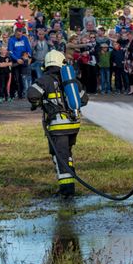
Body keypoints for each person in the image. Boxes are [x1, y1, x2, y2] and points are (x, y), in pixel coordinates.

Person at [28, 50, 89, 197]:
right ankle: (69, 186)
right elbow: (84, 99)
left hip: (57, 127)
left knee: (60, 158)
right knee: (66, 155)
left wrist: (38, 103)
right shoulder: (70, 80)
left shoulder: (45, 80)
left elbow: (32, 95)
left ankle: (67, 192)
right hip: (73, 125)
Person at [8, 28, 32, 99]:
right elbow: (10, 51)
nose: (19, 36)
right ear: (15, 33)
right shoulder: (11, 40)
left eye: (21, 34)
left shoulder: (24, 38)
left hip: (24, 61)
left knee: (23, 78)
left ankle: (21, 94)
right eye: (18, 35)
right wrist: (17, 59)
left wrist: (28, 57)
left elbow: (28, 49)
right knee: (16, 78)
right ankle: (13, 93)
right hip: (15, 62)